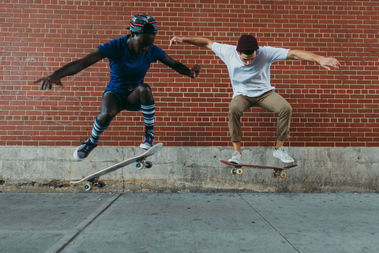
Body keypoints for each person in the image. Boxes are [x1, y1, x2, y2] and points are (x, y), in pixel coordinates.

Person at [35, 14, 200, 161]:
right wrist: (56, 75)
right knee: (104, 115)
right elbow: (83, 62)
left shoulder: (151, 50)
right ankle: (91, 141)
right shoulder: (115, 46)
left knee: (145, 89)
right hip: (114, 93)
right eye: (143, 43)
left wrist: (189, 73)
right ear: (133, 34)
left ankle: (149, 135)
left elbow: (173, 63)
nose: (146, 48)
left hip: (134, 95)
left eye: (150, 43)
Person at [169, 34, 340, 164]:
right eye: (245, 59)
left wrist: (320, 59)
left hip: (264, 94)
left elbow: (294, 53)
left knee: (285, 108)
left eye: (252, 58)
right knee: (234, 109)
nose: (249, 63)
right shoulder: (228, 51)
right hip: (242, 95)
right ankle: (237, 153)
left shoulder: (266, 53)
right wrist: (183, 39)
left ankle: (279, 150)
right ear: (238, 52)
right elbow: (206, 42)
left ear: (257, 51)